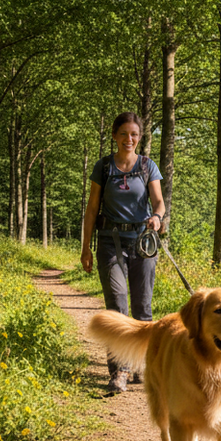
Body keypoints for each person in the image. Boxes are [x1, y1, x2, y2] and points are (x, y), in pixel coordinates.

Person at [81, 112, 165, 394]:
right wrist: (85, 249)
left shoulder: (147, 166)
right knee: (117, 308)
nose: (129, 139)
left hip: (142, 243)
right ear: (115, 136)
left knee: (143, 308)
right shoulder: (104, 167)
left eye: (134, 134)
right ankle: (119, 372)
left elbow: (159, 202)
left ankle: (141, 365)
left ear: (139, 138)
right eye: (124, 134)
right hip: (109, 242)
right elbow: (92, 209)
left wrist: (157, 217)